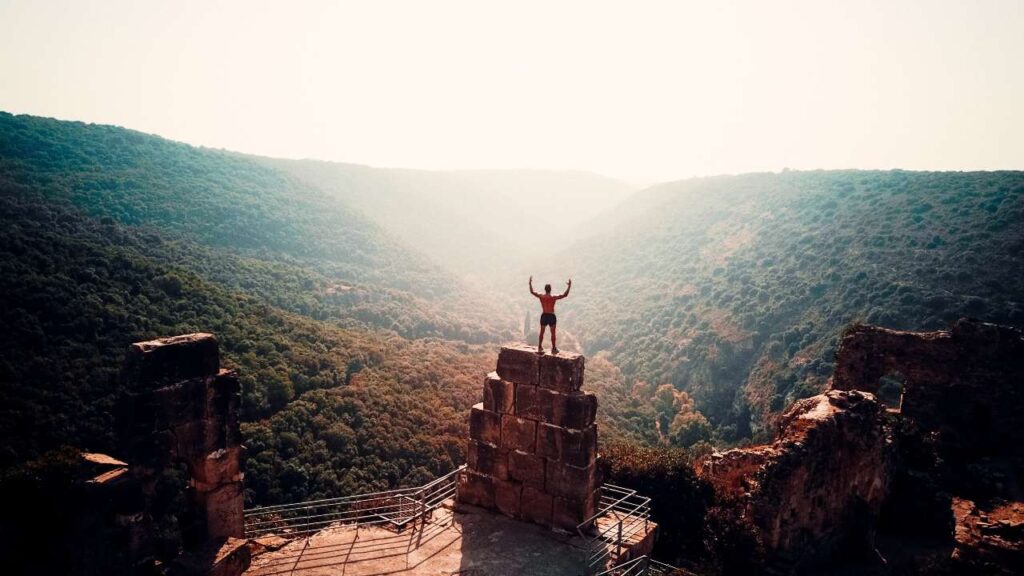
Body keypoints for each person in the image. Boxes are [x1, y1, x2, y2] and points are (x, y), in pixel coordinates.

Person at [529, 276, 571, 354]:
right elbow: (565, 295)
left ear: (545, 289)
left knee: (542, 332)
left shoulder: (541, 297)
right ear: (550, 289)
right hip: (551, 316)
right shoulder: (553, 297)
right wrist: (569, 286)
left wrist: (530, 283)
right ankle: (554, 348)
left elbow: (532, 292)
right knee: (553, 333)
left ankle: (539, 346)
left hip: (544, 315)